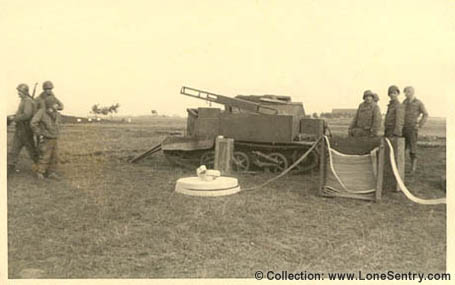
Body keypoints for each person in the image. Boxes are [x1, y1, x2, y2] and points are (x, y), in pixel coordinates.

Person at [7, 84, 39, 176]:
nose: (18, 93)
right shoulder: (23, 101)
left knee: (31, 150)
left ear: (25, 91)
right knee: (14, 149)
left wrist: (14, 118)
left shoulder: (28, 101)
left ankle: (41, 168)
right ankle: (10, 168)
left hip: (26, 129)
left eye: (20, 92)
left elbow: (27, 115)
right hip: (20, 129)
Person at [30, 99, 62, 180]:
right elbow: (33, 123)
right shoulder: (42, 112)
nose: (57, 106)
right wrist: (40, 133)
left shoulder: (57, 114)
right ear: (50, 105)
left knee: (54, 156)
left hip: (54, 137)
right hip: (46, 138)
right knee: (45, 156)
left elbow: (58, 125)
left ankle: (51, 172)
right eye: (55, 104)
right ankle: (40, 172)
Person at [402, 86, 428, 173]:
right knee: (402, 148)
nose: (406, 94)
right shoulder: (404, 102)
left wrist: (419, 125)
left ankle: (413, 168)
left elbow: (425, 114)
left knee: (412, 149)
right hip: (403, 129)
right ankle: (401, 167)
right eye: (405, 92)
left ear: (413, 92)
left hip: (412, 129)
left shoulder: (418, 103)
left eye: (408, 92)